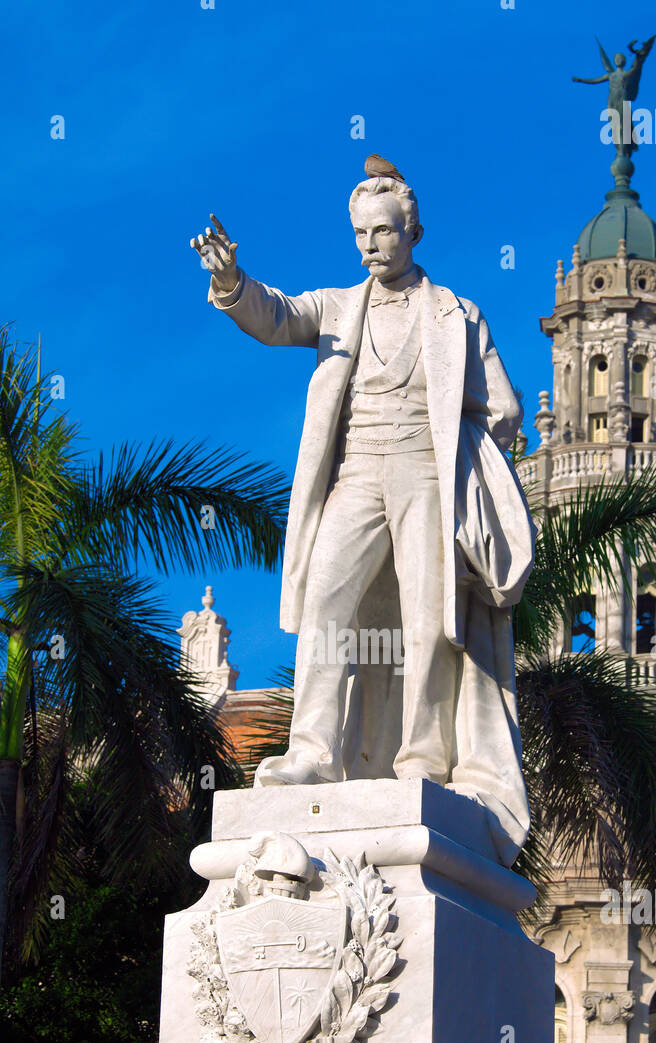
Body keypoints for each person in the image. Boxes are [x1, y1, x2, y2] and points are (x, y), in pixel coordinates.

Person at [191, 156, 535, 866]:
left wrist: (460, 457)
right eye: (360, 234)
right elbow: (274, 314)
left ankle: (423, 755)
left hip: (425, 479)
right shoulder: (337, 308)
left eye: (383, 231)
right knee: (325, 607)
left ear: (412, 232)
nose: (371, 245)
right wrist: (229, 280)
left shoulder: (458, 316)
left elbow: (504, 409)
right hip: (355, 476)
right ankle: (312, 753)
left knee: (429, 620)